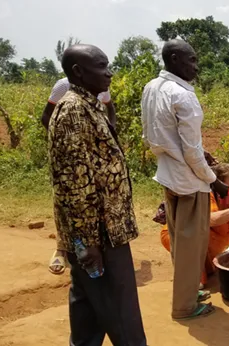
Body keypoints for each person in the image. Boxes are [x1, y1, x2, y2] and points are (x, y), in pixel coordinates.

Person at [48, 44, 146, 345]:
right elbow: (75, 185)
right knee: (122, 315)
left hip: (100, 232)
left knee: (88, 312)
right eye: (102, 66)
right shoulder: (73, 111)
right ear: (78, 72)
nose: (109, 72)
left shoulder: (89, 105)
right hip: (101, 235)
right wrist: (87, 242)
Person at [141, 39, 217, 320]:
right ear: (174, 59)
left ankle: (188, 292)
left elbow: (154, 134)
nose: (196, 67)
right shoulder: (183, 96)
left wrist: (193, 153)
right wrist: (213, 180)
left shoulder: (151, 88)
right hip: (190, 182)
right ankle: (185, 307)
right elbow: (193, 153)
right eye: (191, 60)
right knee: (191, 245)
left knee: (178, 240)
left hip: (168, 175)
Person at [43, 78, 115, 276]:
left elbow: (110, 107)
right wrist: (63, 145)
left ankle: (98, 250)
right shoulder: (62, 86)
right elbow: (46, 116)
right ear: (79, 69)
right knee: (64, 203)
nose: (106, 73)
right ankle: (61, 249)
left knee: (96, 200)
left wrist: (111, 129)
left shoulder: (100, 85)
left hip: (95, 155)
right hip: (69, 155)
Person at [160, 163, 229, 286]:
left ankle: (206, 266)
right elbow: (212, 220)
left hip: (202, 234)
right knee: (205, 235)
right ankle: (193, 276)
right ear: (219, 183)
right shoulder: (207, 194)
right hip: (178, 235)